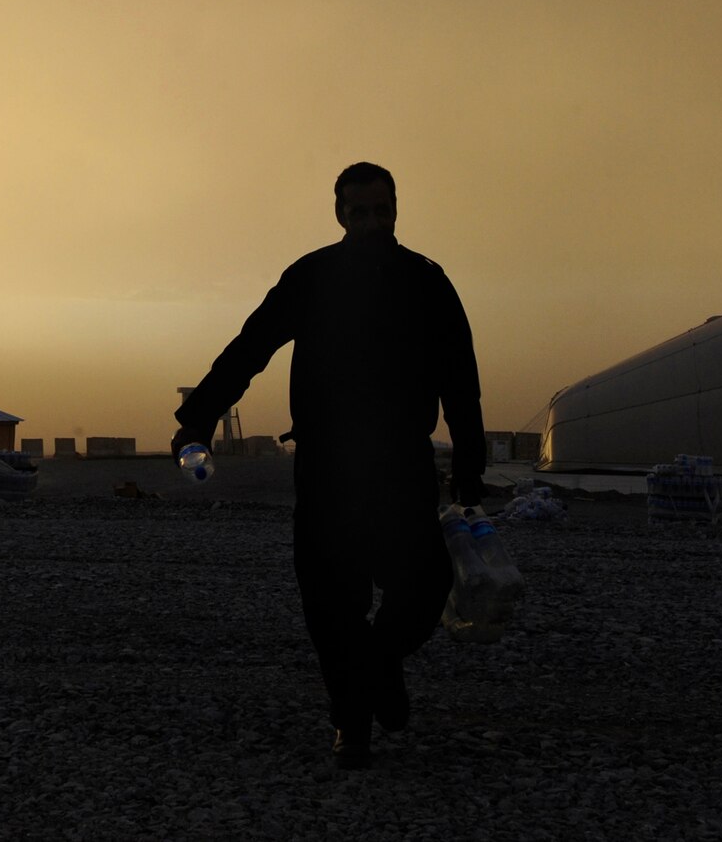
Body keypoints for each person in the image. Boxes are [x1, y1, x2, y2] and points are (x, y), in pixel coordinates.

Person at [171, 162, 487, 769]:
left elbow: (461, 383)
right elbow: (250, 348)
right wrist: (198, 417)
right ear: (339, 214)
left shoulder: (427, 282)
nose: (372, 221)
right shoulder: (312, 277)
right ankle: (352, 726)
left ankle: (378, 667)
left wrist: (469, 468)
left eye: (382, 210)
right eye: (359, 211)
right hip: (326, 468)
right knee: (330, 605)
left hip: (400, 466)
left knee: (424, 588)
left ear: (396, 210)